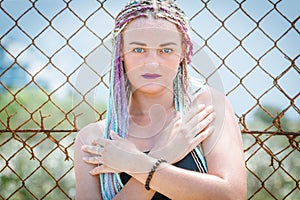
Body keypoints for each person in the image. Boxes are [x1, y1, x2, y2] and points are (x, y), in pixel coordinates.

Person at [74, 0, 246, 199]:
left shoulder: (204, 110)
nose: (153, 63)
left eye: (166, 50)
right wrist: (165, 153)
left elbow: (231, 195)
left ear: (183, 52)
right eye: (139, 50)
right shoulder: (96, 139)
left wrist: (135, 163)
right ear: (120, 51)